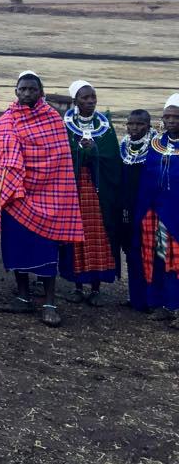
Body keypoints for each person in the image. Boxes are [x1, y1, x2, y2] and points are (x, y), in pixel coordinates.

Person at [0, 72, 83, 327]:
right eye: (22, 89)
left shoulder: (52, 118)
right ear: (16, 91)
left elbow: (60, 159)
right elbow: (0, 145)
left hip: (48, 194)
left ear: (41, 92)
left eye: (32, 89)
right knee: (17, 246)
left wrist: (38, 179)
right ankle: (22, 297)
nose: (27, 93)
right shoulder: (8, 119)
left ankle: (50, 303)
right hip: (17, 194)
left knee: (45, 249)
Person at [59, 80, 122, 305]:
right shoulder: (66, 125)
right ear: (76, 101)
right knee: (76, 236)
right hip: (74, 190)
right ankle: (77, 286)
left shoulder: (105, 126)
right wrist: (78, 151)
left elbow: (112, 158)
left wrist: (94, 151)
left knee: (99, 235)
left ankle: (95, 288)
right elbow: (63, 155)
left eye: (93, 97)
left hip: (98, 193)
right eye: (85, 98)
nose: (90, 101)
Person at [131, 94, 179, 326]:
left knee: (177, 261)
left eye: (176, 117)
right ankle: (161, 304)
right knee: (158, 257)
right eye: (167, 116)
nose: (171, 121)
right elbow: (147, 179)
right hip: (155, 213)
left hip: (176, 213)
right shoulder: (156, 145)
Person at [119, 109, 157, 311]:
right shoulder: (124, 144)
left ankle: (151, 299)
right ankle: (135, 297)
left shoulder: (156, 146)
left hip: (148, 208)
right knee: (131, 252)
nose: (134, 128)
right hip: (127, 207)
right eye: (131, 124)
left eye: (140, 124)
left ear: (148, 125)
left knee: (149, 253)